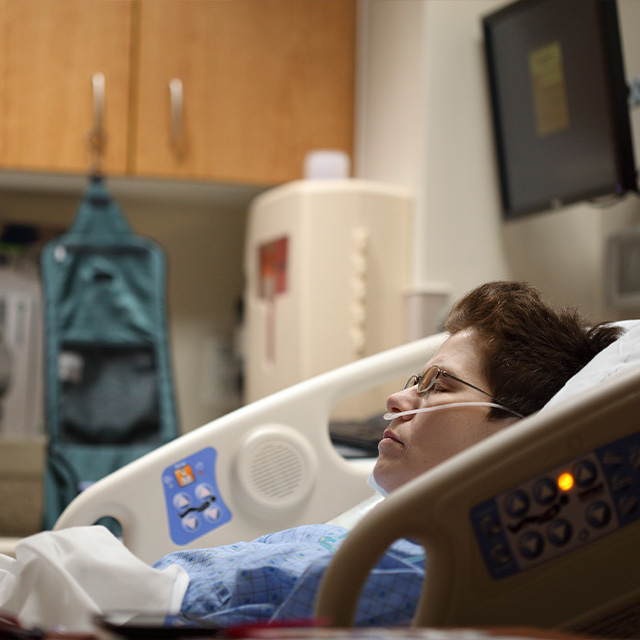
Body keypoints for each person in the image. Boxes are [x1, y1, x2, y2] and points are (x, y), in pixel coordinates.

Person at [0, 281, 625, 632]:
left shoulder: (415, 573)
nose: (397, 397)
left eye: (439, 385)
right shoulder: (382, 539)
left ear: (515, 435)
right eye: (415, 378)